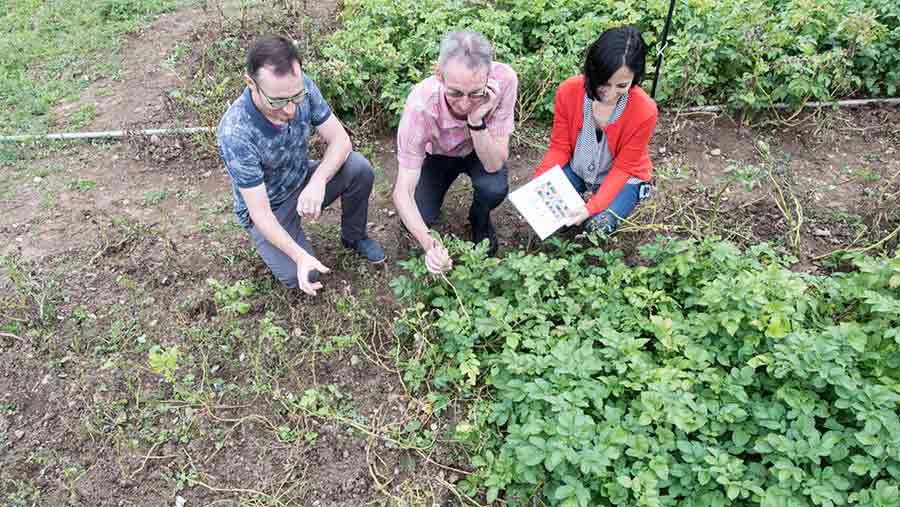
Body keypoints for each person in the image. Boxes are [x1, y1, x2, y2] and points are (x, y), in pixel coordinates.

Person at [217, 35, 385, 296]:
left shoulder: (300, 86)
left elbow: (341, 140)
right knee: (305, 275)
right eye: (278, 101)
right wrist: (299, 256)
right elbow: (260, 213)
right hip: (270, 208)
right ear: (251, 84)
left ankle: (354, 236)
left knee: (358, 168)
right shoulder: (235, 132)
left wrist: (317, 181)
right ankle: (287, 246)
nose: (291, 109)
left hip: (302, 178)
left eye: (296, 97)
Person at [393, 30, 518, 274]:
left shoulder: (505, 80)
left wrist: (476, 120)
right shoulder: (421, 104)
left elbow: (494, 165)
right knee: (420, 215)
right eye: (455, 93)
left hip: (480, 147)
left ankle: (479, 218)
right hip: (438, 155)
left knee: (494, 188)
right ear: (438, 75)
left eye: (475, 93)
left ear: (489, 76)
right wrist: (430, 245)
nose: (464, 103)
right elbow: (402, 191)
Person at [532, 26, 657, 235]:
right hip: (579, 169)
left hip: (624, 177)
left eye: (622, 85)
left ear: (635, 77)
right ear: (593, 71)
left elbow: (624, 168)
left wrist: (591, 208)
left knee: (598, 227)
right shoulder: (569, 91)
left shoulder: (644, 110)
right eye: (604, 83)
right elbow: (560, 147)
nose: (610, 93)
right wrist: (539, 179)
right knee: (546, 210)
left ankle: (618, 200)